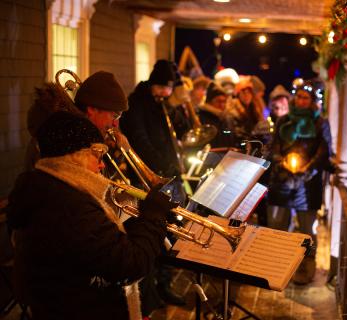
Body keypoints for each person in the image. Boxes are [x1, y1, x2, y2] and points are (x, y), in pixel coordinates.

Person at [6, 111, 173, 320]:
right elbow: (132, 265)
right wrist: (154, 215)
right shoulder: (69, 205)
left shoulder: (46, 187)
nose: (102, 165)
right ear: (76, 156)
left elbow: (101, 247)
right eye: (98, 155)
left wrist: (138, 224)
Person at [120, 59, 186, 312]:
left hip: (169, 174)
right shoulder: (137, 103)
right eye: (166, 87)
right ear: (157, 85)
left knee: (171, 231)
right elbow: (140, 139)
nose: (168, 92)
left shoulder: (161, 104)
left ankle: (165, 283)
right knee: (153, 231)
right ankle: (152, 290)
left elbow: (177, 132)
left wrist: (177, 109)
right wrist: (159, 169)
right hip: (150, 178)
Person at [267, 79, 334, 285]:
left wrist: (307, 170)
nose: (301, 100)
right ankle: (276, 266)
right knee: (277, 225)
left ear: (313, 101)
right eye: (299, 96)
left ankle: (305, 267)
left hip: (307, 184)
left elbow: (324, 151)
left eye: (306, 97)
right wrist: (282, 162)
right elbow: (274, 146)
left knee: (307, 228)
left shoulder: (320, 123)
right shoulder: (284, 120)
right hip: (282, 180)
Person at [224, 76, 263, 145]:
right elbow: (236, 134)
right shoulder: (233, 111)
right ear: (238, 94)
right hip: (240, 149)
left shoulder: (254, 109)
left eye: (249, 92)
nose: (246, 95)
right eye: (244, 92)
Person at [198, 82, 234, 148]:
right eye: (218, 101)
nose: (222, 105)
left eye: (224, 101)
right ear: (209, 102)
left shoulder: (228, 119)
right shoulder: (201, 117)